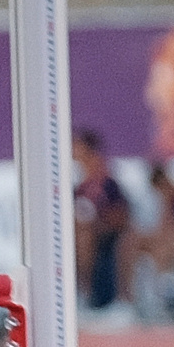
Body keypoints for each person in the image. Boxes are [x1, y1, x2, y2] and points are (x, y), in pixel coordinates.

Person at [70, 128, 128, 311]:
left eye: (77, 146)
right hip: (85, 231)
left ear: (88, 149)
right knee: (77, 235)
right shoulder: (78, 181)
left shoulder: (105, 179)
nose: (72, 150)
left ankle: (87, 295)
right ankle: (78, 294)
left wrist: (97, 225)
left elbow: (119, 214)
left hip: (107, 231)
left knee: (84, 237)